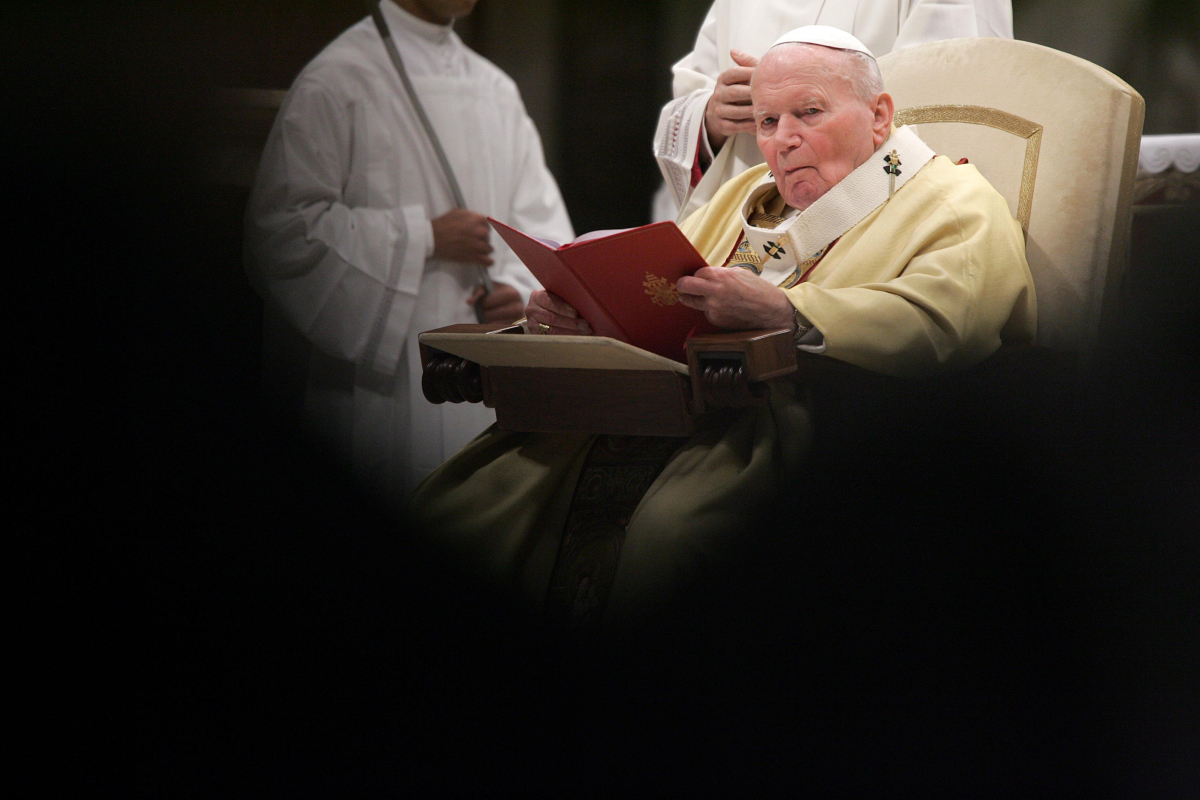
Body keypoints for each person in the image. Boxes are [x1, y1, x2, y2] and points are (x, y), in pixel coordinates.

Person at [411, 27, 1036, 630]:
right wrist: (569, 316)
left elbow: (945, 323)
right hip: (650, 410)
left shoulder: (952, 200)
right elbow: (653, 295)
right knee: (470, 498)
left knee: (669, 538)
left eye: (809, 113)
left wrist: (788, 313)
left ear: (879, 115)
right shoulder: (748, 191)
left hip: (790, 425)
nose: (783, 140)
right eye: (767, 121)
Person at [244, 0, 573, 496]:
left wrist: (517, 289)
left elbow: (541, 225)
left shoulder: (496, 89)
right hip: (381, 383)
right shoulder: (337, 78)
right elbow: (283, 235)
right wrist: (425, 237)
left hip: (484, 373)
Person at [655, 0, 1013, 220]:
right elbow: (692, 93)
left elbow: (958, 90)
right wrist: (713, 117)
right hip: (756, 221)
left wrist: (817, 97)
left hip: (875, 223)